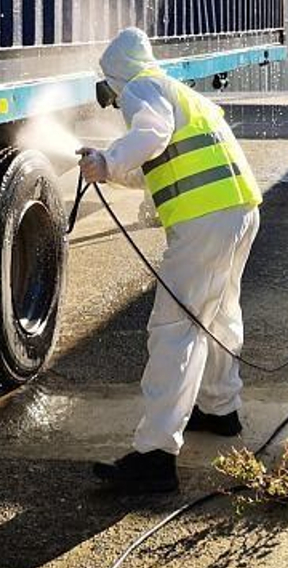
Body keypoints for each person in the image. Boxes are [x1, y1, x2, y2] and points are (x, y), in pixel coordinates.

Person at [79, 27, 263, 494]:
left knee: (174, 328)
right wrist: (111, 168)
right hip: (239, 211)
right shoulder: (180, 93)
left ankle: (156, 456)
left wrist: (108, 160)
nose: (112, 101)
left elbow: (152, 135)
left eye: (109, 90)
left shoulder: (140, 88)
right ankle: (220, 410)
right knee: (217, 316)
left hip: (206, 221)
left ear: (116, 76)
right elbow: (158, 162)